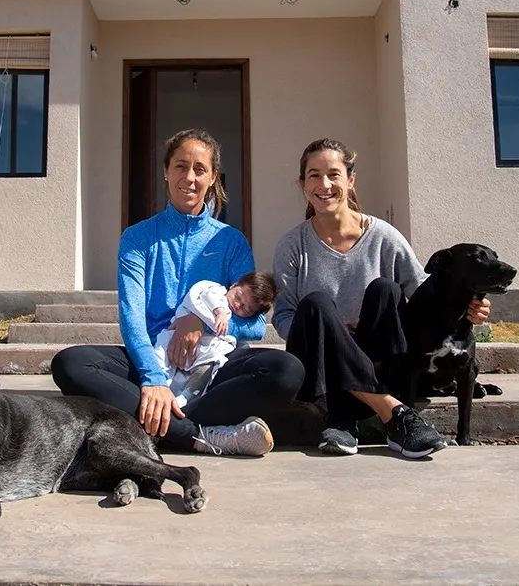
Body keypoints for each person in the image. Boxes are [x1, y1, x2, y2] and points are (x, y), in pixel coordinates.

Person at [52, 129, 304, 456]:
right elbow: (132, 318)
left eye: (200, 169)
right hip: (154, 353)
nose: (189, 177)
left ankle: (155, 426)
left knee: (287, 371)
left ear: (213, 177)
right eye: (180, 167)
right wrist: (153, 379)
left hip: (213, 362)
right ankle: (197, 435)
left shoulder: (231, 241)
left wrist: (200, 324)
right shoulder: (138, 238)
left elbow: (256, 325)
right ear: (166, 171)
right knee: (71, 363)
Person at [271, 138, 491, 458]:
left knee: (386, 289)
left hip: (378, 362)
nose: (324, 184)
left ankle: (346, 422)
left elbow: (422, 294)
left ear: (351, 179)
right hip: (322, 374)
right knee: (315, 303)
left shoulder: (384, 236)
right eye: (314, 175)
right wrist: (331, 336)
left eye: (334, 174)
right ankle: (390, 415)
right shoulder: (292, 245)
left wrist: (469, 307)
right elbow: (284, 315)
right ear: (302, 184)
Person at [154, 271, 278, 408]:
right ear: (234, 285)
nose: (238, 305)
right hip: (176, 336)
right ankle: (158, 387)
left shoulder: (235, 317)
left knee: (207, 368)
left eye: (246, 309)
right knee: (161, 357)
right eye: (238, 297)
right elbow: (204, 295)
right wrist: (219, 311)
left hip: (205, 347)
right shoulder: (217, 291)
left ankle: (186, 397)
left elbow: (258, 330)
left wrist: (205, 324)